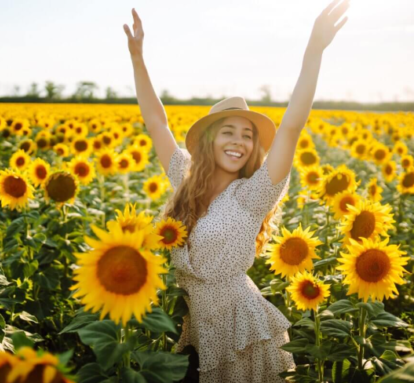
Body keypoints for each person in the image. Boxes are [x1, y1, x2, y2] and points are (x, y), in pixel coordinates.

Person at [123, 1, 350, 382]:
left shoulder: (253, 195)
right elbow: (157, 123)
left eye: (248, 135)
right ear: (209, 141)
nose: (240, 142)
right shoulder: (184, 177)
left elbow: (292, 125)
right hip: (196, 326)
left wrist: (313, 51)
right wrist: (137, 58)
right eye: (228, 132)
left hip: (241, 329)